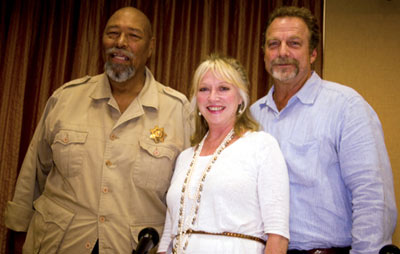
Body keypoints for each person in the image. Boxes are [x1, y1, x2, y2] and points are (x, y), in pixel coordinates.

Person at [4, 7, 192, 254]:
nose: (121, 42)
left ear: (151, 47)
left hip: (133, 246)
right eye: (113, 33)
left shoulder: (177, 111)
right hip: (60, 244)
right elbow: (33, 174)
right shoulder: (65, 98)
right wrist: (19, 234)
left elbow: (188, 197)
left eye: (133, 36)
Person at [250, 6, 397, 254]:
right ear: (264, 53)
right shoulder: (251, 117)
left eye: (294, 43)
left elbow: (372, 198)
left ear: (313, 53)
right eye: (273, 44)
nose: (282, 52)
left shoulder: (346, 107)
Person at [158, 54, 290, 254]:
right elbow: (170, 233)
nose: (212, 97)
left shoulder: (262, 146)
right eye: (204, 89)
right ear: (196, 99)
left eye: (223, 88)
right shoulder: (185, 157)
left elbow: (278, 236)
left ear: (241, 97)